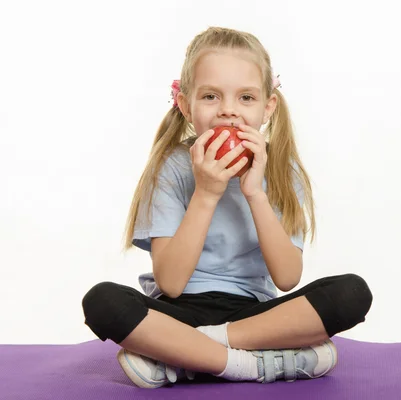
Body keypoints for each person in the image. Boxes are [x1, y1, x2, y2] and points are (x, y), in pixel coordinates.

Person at [82, 26, 373, 389]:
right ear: (186, 105)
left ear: (268, 107)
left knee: (351, 294)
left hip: (254, 315)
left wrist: (255, 193)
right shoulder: (171, 166)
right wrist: (206, 193)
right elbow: (171, 284)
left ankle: (183, 355)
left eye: (246, 98)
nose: (229, 112)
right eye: (211, 97)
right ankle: (251, 364)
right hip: (178, 311)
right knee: (103, 302)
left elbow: (286, 278)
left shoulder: (283, 170)